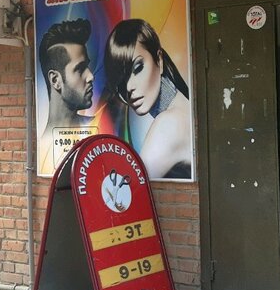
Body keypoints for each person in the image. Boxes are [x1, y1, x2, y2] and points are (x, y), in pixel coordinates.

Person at [103, 19, 192, 180]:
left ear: (159, 60)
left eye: (137, 68)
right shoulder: (181, 108)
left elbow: (133, 191)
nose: (129, 87)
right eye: (122, 81)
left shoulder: (168, 124)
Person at [38, 18, 95, 172]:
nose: (90, 76)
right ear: (55, 80)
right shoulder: (43, 147)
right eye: (80, 69)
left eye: (87, 66)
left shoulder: (99, 126)